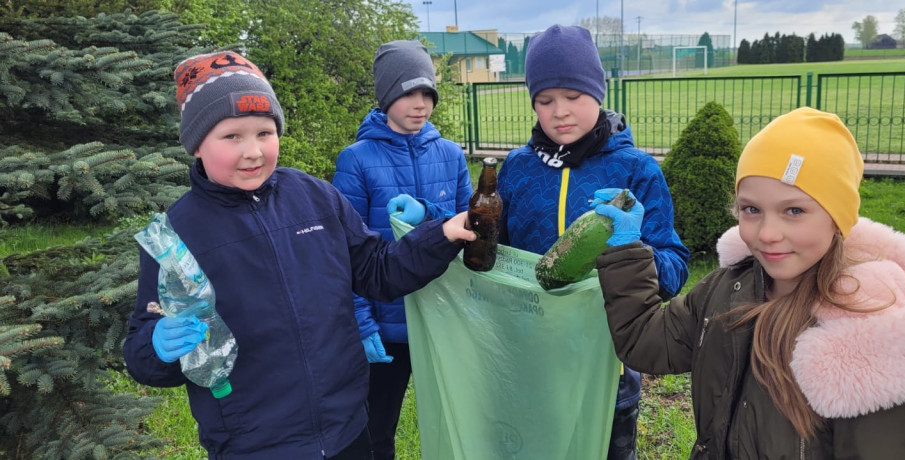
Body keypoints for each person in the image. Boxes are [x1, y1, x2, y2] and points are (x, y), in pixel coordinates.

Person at [122, 51, 475, 459]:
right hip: (254, 442)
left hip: (346, 427)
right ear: (197, 144)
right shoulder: (179, 232)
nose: (253, 152)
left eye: (264, 133)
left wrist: (442, 234)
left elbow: (378, 270)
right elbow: (142, 352)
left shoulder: (315, 197)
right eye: (232, 137)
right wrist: (157, 345)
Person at [593, 107, 905, 458]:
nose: (767, 233)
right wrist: (627, 249)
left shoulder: (865, 334)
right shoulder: (725, 288)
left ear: (837, 218)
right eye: (751, 209)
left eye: (794, 210)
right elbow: (646, 341)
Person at [496, 24, 691, 460]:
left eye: (574, 96)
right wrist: (432, 224)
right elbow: (494, 253)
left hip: (609, 359)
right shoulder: (516, 168)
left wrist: (632, 247)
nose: (560, 112)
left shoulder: (637, 170)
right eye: (545, 100)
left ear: (598, 94)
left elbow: (675, 268)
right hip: (532, 358)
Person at [331, 39, 473, 460]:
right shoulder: (356, 160)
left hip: (445, 316)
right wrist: (362, 322)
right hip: (388, 324)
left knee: (457, 422)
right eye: (409, 92)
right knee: (376, 429)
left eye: (428, 93)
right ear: (386, 95)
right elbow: (346, 251)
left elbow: (472, 224)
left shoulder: (450, 154)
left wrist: (430, 213)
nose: (420, 104)